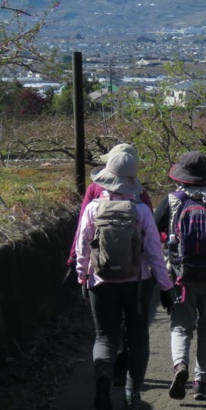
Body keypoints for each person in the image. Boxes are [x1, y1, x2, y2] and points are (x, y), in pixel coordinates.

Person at [74, 147, 174, 410]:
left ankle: (105, 377)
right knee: (138, 336)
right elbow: (155, 252)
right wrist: (166, 287)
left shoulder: (93, 208)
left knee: (105, 336)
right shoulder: (140, 210)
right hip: (137, 284)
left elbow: (82, 246)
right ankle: (132, 394)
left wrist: (82, 277)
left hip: (100, 281)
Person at [65, 143, 153, 387]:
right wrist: (163, 282)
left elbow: (83, 235)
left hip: (100, 276)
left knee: (105, 334)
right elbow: (151, 242)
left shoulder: (94, 193)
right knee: (135, 334)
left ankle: (105, 370)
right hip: (137, 278)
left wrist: (79, 268)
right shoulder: (142, 198)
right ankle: (129, 387)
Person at [154, 152, 206, 401]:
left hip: (180, 275)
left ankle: (180, 366)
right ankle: (200, 382)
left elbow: (153, 236)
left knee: (181, 325)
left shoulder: (171, 201)